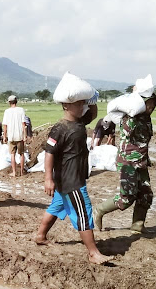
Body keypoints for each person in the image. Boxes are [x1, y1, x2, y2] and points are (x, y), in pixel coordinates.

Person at [33, 95, 112, 264]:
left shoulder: (79, 122)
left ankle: (40, 236)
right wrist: (48, 178)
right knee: (83, 212)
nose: (82, 106)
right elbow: (49, 153)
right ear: (66, 105)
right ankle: (93, 253)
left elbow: (93, 112)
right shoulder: (59, 128)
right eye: (78, 103)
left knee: (57, 206)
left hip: (72, 177)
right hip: (71, 180)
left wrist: (90, 98)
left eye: (82, 102)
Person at [93, 93, 156, 234]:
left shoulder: (147, 119)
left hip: (141, 162)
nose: (151, 107)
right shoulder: (130, 118)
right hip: (127, 162)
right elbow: (128, 130)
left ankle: (137, 226)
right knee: (127, 197)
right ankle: (99, 209)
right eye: (149, 104)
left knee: (146, 195)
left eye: (154, 104)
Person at [2, 95, 27, 177]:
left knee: (12, 154)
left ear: (9, 102)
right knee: (21, 154)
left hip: (11, 136)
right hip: (20, 135)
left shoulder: (7, 111)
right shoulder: (21, 110)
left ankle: (14, 172)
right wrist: (25, 136)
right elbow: (24, 124)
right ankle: (22, 172)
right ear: (16, 101)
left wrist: (5, 136)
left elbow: (5, 125)